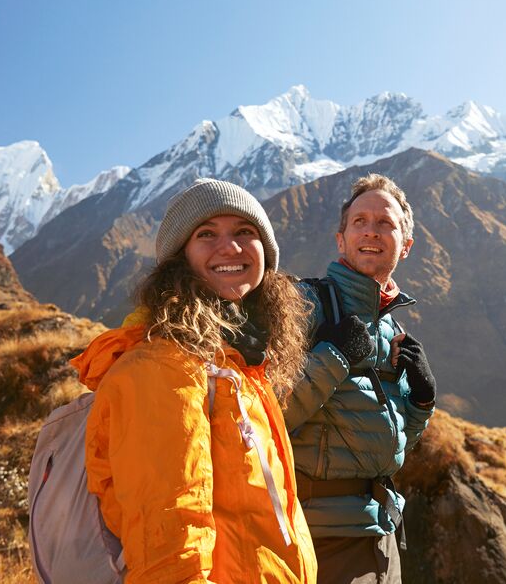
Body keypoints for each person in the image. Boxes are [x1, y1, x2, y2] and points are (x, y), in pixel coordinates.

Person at [70, 178, 318, 584]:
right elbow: (168, 548)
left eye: (245, 231)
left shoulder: (240, 364)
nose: (231, 247)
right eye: (206, 234)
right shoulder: (164, 367)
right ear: (178, 258)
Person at [285, 174, 436, 584]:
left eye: (385, 223)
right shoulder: (302, 306)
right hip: (320, 537)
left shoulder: (390, 328)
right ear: (341, 240)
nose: (371, 231)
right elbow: (265, 417)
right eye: (360, 221)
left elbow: (382, 448)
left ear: (405, 245)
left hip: (382, 533)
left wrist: (421, 403)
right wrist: (333, 357)